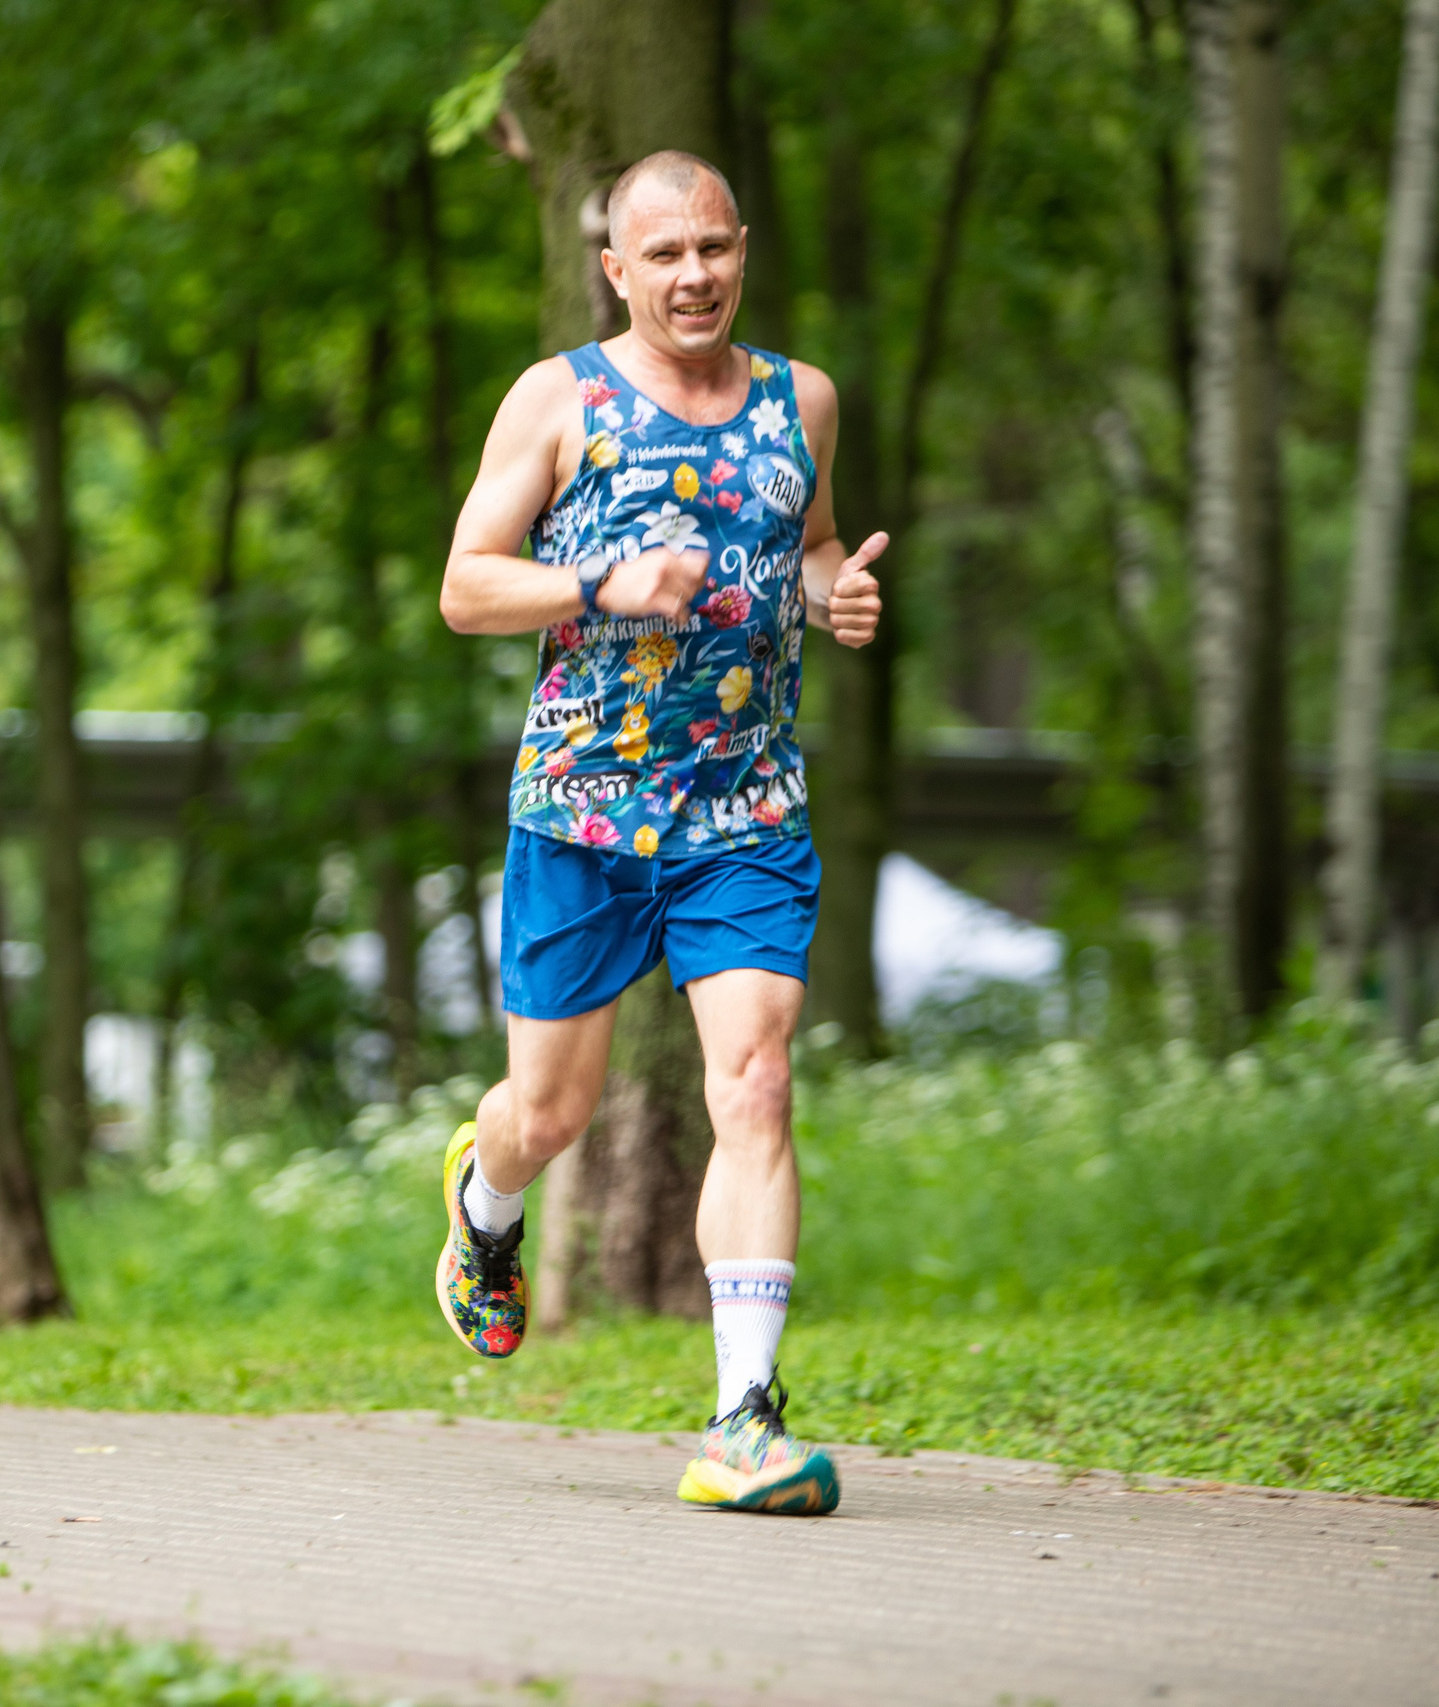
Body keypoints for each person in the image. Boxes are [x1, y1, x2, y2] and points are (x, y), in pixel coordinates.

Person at [434, 148, 886, 1515]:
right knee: (549, 1115)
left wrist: (832, 593)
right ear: (617, 271)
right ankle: (484, 1202)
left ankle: (744, 1420)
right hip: (583, 811)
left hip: (744, 811)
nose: (696, 276)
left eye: (716, 247)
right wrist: (603, 581)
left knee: (756, 1084)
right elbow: (466, 587)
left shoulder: (803, 400)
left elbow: (806, 543)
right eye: (666, 255)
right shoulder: (560, 398)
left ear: (744, 250)